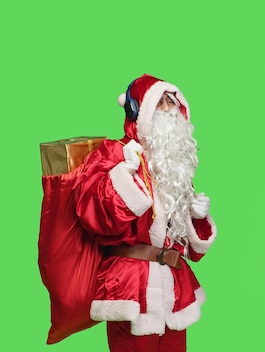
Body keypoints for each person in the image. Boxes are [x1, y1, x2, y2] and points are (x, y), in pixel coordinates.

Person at [73, 74, 217, 351]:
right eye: (160, 102)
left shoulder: (172, 166)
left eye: (172, 102)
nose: (168, 109)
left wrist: (197, 219)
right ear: (139, 112)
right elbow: (95, 217)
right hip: (131, 285)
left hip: (174, 286)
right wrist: (129, 178)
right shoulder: (114, 154)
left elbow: (193, 251)